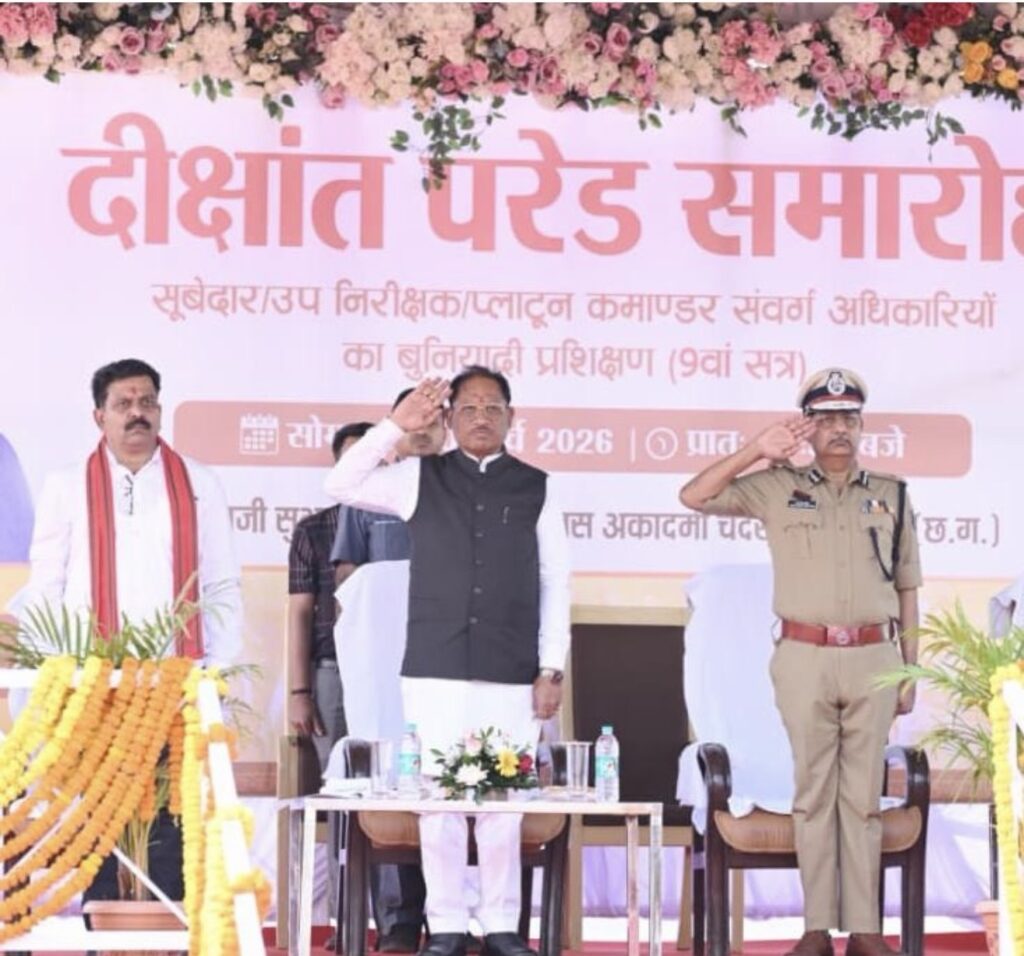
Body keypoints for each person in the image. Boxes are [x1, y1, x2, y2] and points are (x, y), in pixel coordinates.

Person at [325, 366, 571, 956]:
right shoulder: (418, 477)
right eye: (469, 408)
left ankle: (503, 925)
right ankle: (448, 927)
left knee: (503, 802)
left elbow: (555, 581)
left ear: (511, 417)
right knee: (437, 800)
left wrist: (551, 667)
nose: (481, 417)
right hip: (433, 663)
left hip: (511, 666)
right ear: (450, 417)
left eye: (493, 407)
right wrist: (395, 425)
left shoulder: (537, 486)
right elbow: (341, 482)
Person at [679, 368, 920, 956]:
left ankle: (864, 930)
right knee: (812, 795)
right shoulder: (775, 486)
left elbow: (909, 586)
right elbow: (695, 495)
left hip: (874, 657)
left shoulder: (891, 493)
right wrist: (755, 451)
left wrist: (909, 670)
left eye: (848, 419)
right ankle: (816, 928)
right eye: (826, 419)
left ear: (861, 426)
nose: (838, 429)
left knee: (862, 798)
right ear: (807, 427)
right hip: (804, 656)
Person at [22, 357, 242, 906]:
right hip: (91, 683)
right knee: (95, 818)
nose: (137, 413)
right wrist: (56, 675)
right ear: (100, 416)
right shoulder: (65, 485)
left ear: (160, 410)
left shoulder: (200, 483)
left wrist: (219, 673)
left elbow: (221, 583)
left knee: (171, 814)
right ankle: (103, 930)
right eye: (123, 403)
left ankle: (165, 930)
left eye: (147, 402)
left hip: (176, 682)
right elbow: (46, 584)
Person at [329, 389, 445, 952]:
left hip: (449, 661)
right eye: (414, 418)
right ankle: (398, 921)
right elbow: (348, 577)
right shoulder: (372, 493)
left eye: (434, 418)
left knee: (449, 774)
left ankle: (451, 917)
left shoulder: (465, 491)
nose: (424, 427)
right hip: (383, 666)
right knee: (389, 775)